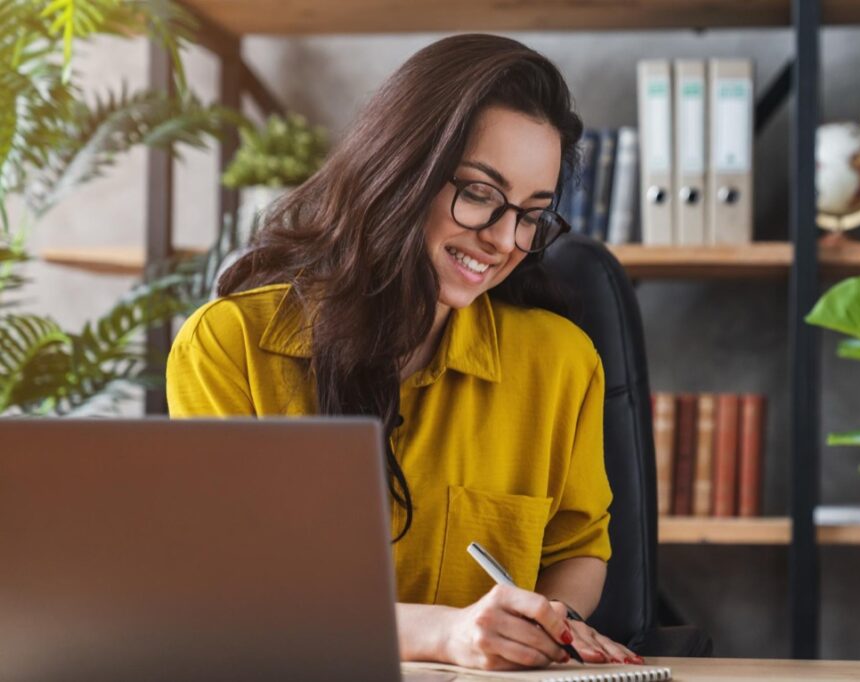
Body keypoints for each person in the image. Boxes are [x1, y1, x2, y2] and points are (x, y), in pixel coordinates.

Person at [167, 33, 641, 671]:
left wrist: (552, 631)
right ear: (401, 167)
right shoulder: (229, 346)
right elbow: (231, 594)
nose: (503, 240)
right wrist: (445, 634)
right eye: (478, 193)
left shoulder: (560, 362)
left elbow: (577, 551)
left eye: (532, 214)